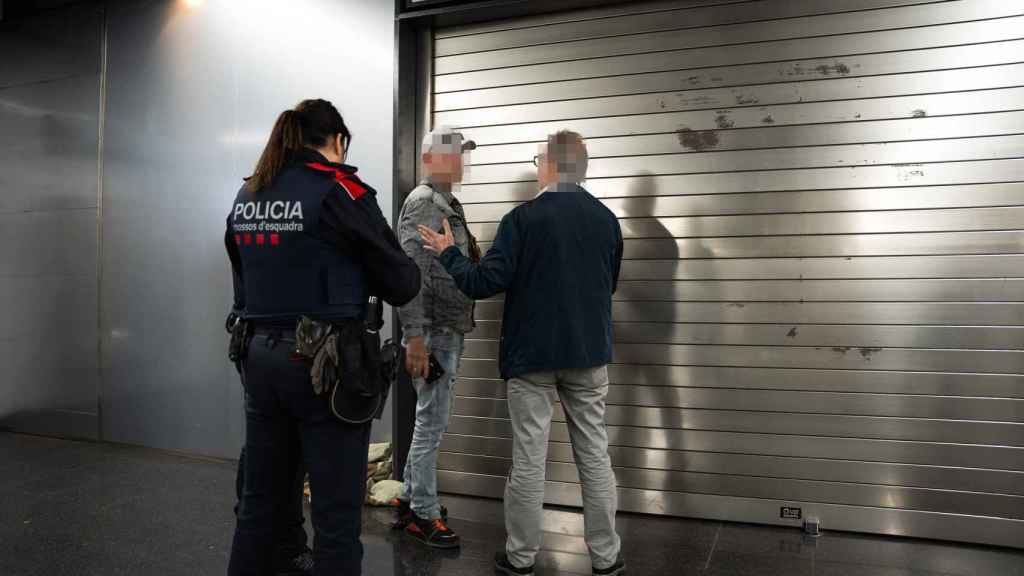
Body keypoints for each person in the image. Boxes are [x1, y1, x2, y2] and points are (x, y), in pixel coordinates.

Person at [225, 99, 420, 576]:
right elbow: (401, 282)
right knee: (334, 518)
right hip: (325, 370)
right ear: (337, 142)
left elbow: (243, 281)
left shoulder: (249, 195)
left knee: (259, 506)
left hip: (259, 361)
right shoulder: (338, 191)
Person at [420, 131, 627, 576]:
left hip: (531, 359)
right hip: (588, 356)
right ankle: (607, 558)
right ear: (582, 168)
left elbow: (482, 282)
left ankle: (521, 558)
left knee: (530, 460)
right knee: (594, 456)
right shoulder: (607, 220)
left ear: (548, 165)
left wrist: (449, 254)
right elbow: (607, 285)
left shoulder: (522, 220)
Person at [392, 126, 481, 549]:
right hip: (434, 332)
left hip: (445, 327)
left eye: (462, 153)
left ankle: (411, 499)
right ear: (429, 159)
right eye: (452, 154)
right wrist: (416, 338)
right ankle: (423, 514)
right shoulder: (424, 204)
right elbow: (409, 276)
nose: (460, 160)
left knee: (430, 419)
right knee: (432, 423)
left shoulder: (447, 202)